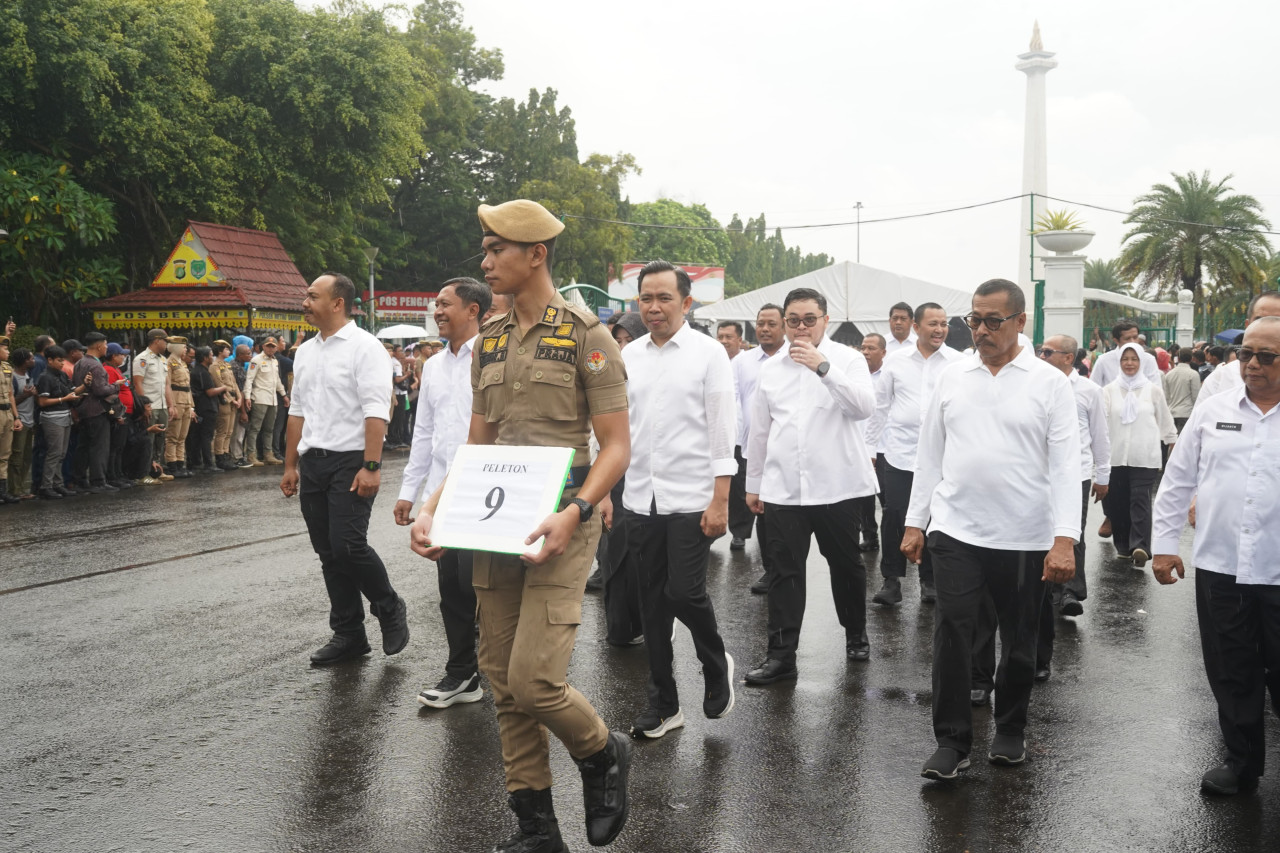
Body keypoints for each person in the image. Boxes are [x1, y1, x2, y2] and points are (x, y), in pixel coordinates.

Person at [409, 199, 632, 851]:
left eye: (495, 249)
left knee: (536, 678)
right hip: (493, 519)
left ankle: (601, 752)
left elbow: (616, 445)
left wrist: (578, 510)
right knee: (504, 682)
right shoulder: (493, 342)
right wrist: (434, 510)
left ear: (535, 253)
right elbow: (477, 445)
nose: (485, 262)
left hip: (561, 519)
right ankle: (537, 829)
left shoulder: (589, 335)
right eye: (485, 249)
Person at [905, 279, 1080, 780]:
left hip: (1025, 537)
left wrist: (1064, 537)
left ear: (1021, 323)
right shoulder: (952, 375)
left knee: (1019, 640)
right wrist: (916, 522)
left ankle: (1009, 728)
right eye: (973, 320)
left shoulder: (1050, 383)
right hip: (957, 531)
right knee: (952, 634)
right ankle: (952, 742)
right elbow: (929, 453)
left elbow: (1067, 465)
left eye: (992, 321)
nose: (980, 330)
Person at [1149, 316, 1280, 796]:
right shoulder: (1214, 409)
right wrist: (1163, 548)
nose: (1252, 365)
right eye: (1247, 354)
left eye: (1266, 356)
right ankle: (1241, 763)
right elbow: (1178, 479)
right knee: (1231, 670)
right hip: (1222, 567)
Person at [623, 259, 737, 738]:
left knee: (684, 591)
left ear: (686, 302)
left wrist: (721, 500)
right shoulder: (628, 356)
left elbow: (721, 430)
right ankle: (664, 704)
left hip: (692, 496)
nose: (654, 307)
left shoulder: (710, 354)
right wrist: (607, 495)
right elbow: (617, 430)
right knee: (651, 607)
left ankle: (715, 664)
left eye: (664, 297)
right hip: (639, 497)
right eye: (646, 298)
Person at [742, 286, 878, 685]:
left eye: (809, 320)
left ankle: (855, 634)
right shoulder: (771, 368)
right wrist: (754, 483)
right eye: (793, 321)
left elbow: (863, 408)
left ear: (825, 321)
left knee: (846, 565)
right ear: (784, 323)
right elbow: (760, 432)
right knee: (784, 572)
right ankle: (781, 657)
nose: (801, 328)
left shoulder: (848, 360)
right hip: (783, 487)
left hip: (837, 486)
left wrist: (824, 368)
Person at [281, 272, 409, 669]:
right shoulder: (305, 351)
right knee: (328, 553)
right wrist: (290, 465)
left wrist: (372, 466)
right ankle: (349, 634)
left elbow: (376, 410)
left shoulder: (365, 348)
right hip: (314, 462)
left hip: (351, 460)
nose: (304, 302)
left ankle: (388, 605)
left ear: (338, 303)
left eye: (312, 296)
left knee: (348, 546)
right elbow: (297, 411)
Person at [393, 277, 491, 709]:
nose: (437, 310)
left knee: (484, 587)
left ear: (473, 310)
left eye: (445, 303)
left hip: (488, 492)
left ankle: (501, 670)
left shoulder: (493, 357)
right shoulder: (432, 366)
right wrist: (409, 492)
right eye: (435, 303)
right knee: (451, 586)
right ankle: (462, 673)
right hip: (441, 496)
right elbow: (424, 435)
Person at [863, 302, 960, 606]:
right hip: (900, 454)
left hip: (942, 459)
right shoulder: (896, 362)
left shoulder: (957, 363)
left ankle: (929, 581)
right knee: (895, 515)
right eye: (933, 323)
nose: (940, 329)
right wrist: (869, 448)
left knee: (934, 518)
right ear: (917, 328)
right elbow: (880, 407)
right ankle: (892, 580)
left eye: (944, 324)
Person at [1100, 342, 1177, 567]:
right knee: (1118, 503)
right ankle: (1123, 546)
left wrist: (1172, 442)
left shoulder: (1153, 390)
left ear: (1141, 362)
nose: (1130, 363)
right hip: (1115, 456)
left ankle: (1141, 546)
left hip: (1145, 456)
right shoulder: (1108, 391)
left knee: (1140, 500)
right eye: (1125, 359)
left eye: (1134, 359)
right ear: (1119, 362)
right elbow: (1102, 424)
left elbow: (1164, 420)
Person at [596, 312, 647, 645]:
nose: (622, 346)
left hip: (647, 475)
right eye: (618, 339)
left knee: (642, 556)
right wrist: (601, 491)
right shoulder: (605, 378)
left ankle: (648, 622)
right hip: (613, 475)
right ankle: (620, 626)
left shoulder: (654, 376)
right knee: (612, 552)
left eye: (629, 339)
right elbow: (595, 435)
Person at [736, 304, 785, 594]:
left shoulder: (794, 357)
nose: (765, 329)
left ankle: (787, 569)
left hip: (783, 450)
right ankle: (770, 570)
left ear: (783, 327)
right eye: (760, 323)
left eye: (771, 324)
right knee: (762, 512)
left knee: (784, 514)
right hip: (752, 449)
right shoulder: (743, 361)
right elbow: (733, 398)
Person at [1196, 292, 1280, 405]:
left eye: (1277, 320)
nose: (1266, 327)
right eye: (1260, 320)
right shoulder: (1221, 378)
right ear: (1247, 324)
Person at [74, 332, 126, 493]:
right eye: (105, 344)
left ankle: (80, 480)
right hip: (97, 410)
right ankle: (98, 481)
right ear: (98, 346)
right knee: (99, 447)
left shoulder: (80, 363)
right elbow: (100, 389)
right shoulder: (96, 365)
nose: (106, 347)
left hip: (82, 409)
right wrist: (115, 385)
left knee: (84, 447)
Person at [855, 333, 888, 553]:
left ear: (883, 353)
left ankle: (896, 540)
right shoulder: (855, 376)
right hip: (858, 446)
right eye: (863, 348)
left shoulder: (889, 376)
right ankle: (869, 536)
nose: (865, 352)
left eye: (871, 348)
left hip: (885, 447)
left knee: (888, 500)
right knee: (863, 497)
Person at [131, 329, 172, 481]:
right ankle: (144, 473)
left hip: (161, 405)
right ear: (156, 340)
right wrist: (144, 405)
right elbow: (137, 383)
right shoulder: (142, 359)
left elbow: (166, 385)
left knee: (160, 440)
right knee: (148, 440)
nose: (166, 344)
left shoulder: (163, 359)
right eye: (165, 340)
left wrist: (171, 405)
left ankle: (157, 470)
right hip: (151, 405)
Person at [244, 336, 287, 466]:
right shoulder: (256, 360)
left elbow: (277, 380)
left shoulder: (275, 361)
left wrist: (284, 395)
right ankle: (251, 455)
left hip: (272, 399)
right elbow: (249, 379)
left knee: (270, 428)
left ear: (276, 348)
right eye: (268, 346)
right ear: (263, 347)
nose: (270, 349)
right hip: (259, 397)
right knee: (255, 428)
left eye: (273, 346)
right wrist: (247, 397)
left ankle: (268, 454)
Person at [102, 343, 136, 489]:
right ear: (113, 356)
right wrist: (117, 414)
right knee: (115, 446)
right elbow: (111, 395)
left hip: (126, 411)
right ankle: (112, 475)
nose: (123, 357)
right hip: (119, 413)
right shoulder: (108, 370)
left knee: (120, 446)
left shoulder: (116, 369)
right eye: (121, 354)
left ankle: (119, 473)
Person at [188, 346, 226, 475]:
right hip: (206, 409)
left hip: (201, 408)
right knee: (206, 436)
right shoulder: (202, 372)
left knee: (199, 436)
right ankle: (208, 464)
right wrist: (223, 388)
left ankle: (197, 462)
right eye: (210, 355)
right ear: (204, 357)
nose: (212, 357)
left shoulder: (199, 370)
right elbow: (209, 392)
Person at [8, 347, 39, 500]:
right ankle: (14, 490)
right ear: (24, 361)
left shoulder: (29, 375)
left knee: (27, 456)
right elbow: (10, 400)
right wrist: (25, 395)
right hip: (19, 420)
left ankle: (21, 488)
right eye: (31, 358)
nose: (33, 361)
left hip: (30, 420)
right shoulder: (13, 377)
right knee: (17, 456)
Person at [1090, 321, 1161, 387]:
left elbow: (1156, 390)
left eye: (1135, 337)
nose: (1132, 341)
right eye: (1127, 338)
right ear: (1116, 341)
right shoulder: (1103, 361)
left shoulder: (1148, 359)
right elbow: (1093, 389)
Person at [209, 341, 242, 469]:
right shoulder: (214, 366)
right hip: (224, 400)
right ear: (220, 351)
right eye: (226, 349)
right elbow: (219, 384)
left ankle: (226, 454)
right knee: (222, 431)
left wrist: (239, 398)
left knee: (229, 431)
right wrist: (231, 399)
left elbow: (234, 383)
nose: (229, 352)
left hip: (233, 399)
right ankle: (220, 456)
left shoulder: (227, 365)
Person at [0, 335, 20, 504]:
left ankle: (2, 491)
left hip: (6, 413)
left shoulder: (7, 367)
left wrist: (16, 417)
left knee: (5, 453)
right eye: (4, 348)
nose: (8, 351)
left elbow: (11, 394)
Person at [1162, 346, 1200, 432]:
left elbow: (1166, 397)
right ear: (1191, 359)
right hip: (1187, 413)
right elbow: (1196, 397)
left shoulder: (1169, 374)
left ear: (1178, 358)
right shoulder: (1193, 374)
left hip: (1171, 413)